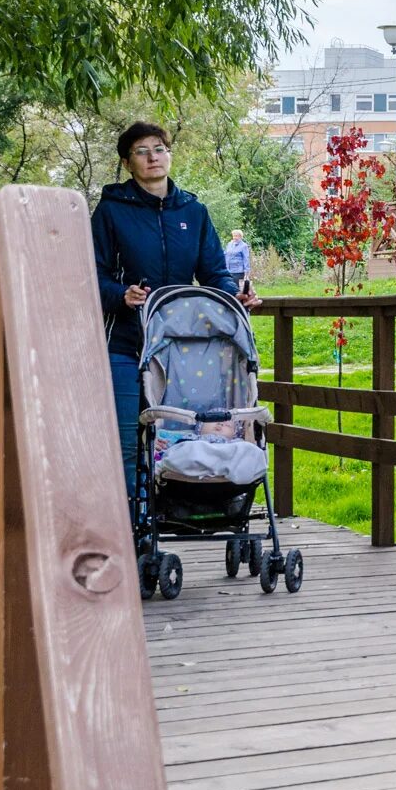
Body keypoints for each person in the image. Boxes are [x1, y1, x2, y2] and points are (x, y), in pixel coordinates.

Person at [91, 122, 261, 505]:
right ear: (127, 162)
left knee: (178, 435)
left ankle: (173, 514)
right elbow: (91, 273)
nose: (153, 156)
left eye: (159, 148)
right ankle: (133, 528)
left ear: (169, 154)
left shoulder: (194, 211)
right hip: (126, 343)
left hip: (182, 349)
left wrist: (237, 296)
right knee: (128, 442)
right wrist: (121, 294)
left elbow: (214, 272)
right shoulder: (112, 211)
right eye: (141, 151)